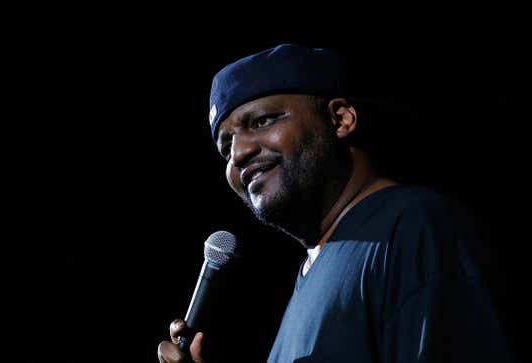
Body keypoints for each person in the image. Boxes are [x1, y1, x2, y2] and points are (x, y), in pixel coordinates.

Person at [158, 43, 513, 363]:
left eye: (262, 121)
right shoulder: (311, 274)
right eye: (225, 146)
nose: (238, 153)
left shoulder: (413, 228)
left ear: (340, 119)